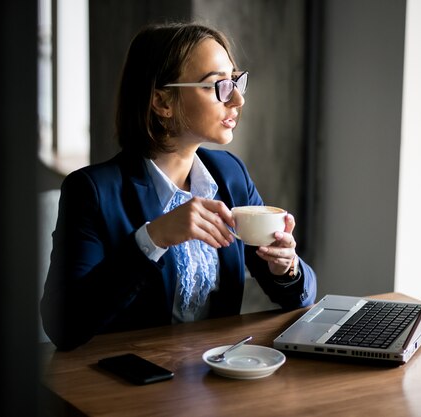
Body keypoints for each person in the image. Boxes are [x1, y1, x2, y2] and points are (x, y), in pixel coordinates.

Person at [40, 21, 317, 351]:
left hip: (219, 378)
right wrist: (153, 237)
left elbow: (298, 296)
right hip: (130, 386)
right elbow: (64, 325)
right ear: (162, 101)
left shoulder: (230, 175)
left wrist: (286, 266)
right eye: (219, 86)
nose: (238, 100)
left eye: (235, 82)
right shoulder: (91, 191)